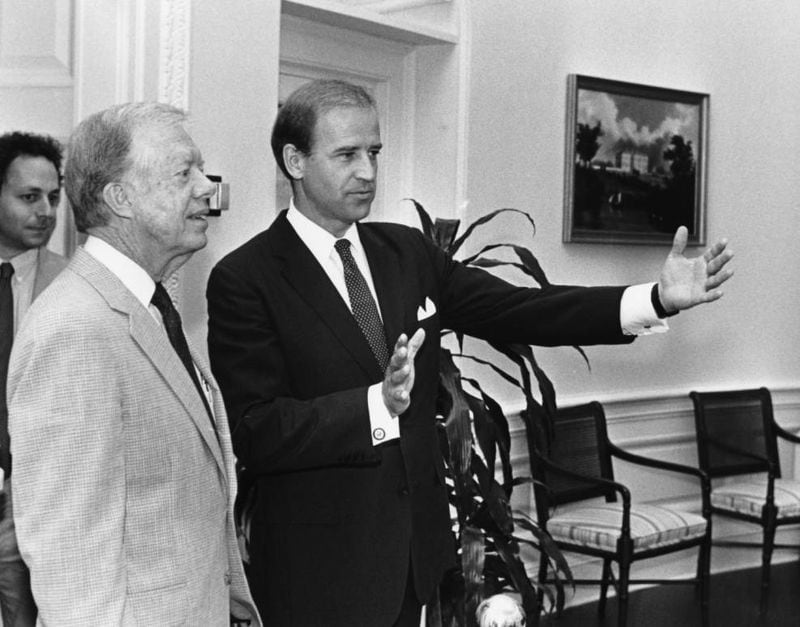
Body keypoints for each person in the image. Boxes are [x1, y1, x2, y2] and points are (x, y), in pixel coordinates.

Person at [206, 79, 733, 627]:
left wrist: (654, 299)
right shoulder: (246, 279)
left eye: (375, 153)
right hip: (318, 575)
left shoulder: (406, 252)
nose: (367, 171)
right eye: (346, 155)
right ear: (294, 160)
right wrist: (376, 405)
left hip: (417, 565)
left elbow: (522, 309)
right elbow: (256, 430)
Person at [7, 103, 261, 626]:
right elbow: (71, 566)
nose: (206, 187)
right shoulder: (75, 328)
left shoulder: (146, 307)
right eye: (182, 172)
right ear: (120, 198)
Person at [0, 131, 67, 627]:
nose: (45, 210)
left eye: (53, 197)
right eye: (29, 197)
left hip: (33, 509)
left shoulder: (75, 284)